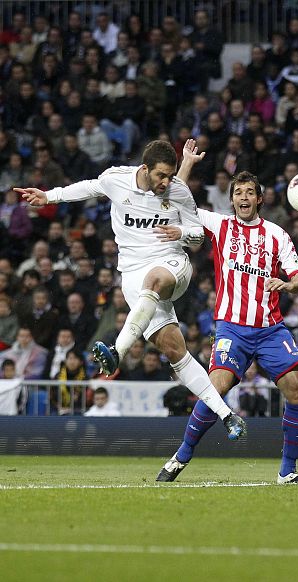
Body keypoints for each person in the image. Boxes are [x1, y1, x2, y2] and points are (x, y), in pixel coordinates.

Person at [15, 140, 246, 440]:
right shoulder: (117, 180)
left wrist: (182, 233)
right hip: (132, 275)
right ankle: (227, 415)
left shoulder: (178, 190)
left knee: (155, 279)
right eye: (162, 175)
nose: (167, 182)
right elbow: (88, 187)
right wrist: (48, 196)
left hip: (172, 263)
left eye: (172, 175)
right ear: (145, 169)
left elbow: (199, 236)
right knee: (176, 351)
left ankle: (117, 351)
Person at [155, 142, 298, 484]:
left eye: (249, 192)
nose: (243, 197)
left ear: (259, 199)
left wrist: (287, 286)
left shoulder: (277, 235)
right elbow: (175, 200)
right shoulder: (219, 224)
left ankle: (288, 471)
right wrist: (186, 164)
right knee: (215, 388)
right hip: (232, 329)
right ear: (232, 199)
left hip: (271, 329)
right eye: (237, 192)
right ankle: (180, 457)